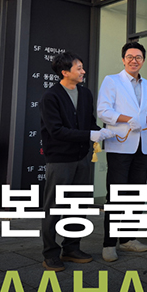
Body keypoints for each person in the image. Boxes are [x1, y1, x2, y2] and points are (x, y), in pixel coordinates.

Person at [39, 51, 113, 272]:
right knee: (54, 207)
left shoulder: (85, 94)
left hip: (82, 157)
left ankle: (71, 248)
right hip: (60, 160)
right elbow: (56, 131)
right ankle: (50, 254)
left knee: (78, 205)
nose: (83, 71)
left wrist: (103, 132)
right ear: (64, 72)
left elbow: (89, 123)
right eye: (78, 68)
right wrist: (89, 135)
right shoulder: (51, 97)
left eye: (82, 67)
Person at [97, 41, 147, 261]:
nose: (134, 61)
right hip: (120, 145)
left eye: (138, 57)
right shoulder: (112, 81)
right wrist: (127, 119)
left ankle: (127, 239)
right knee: (116, 195)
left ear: (143, 60)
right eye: (130, 57)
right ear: (123, 59)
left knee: (135, 195)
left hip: (141, 146)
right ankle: (109, 244)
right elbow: (103, 111)